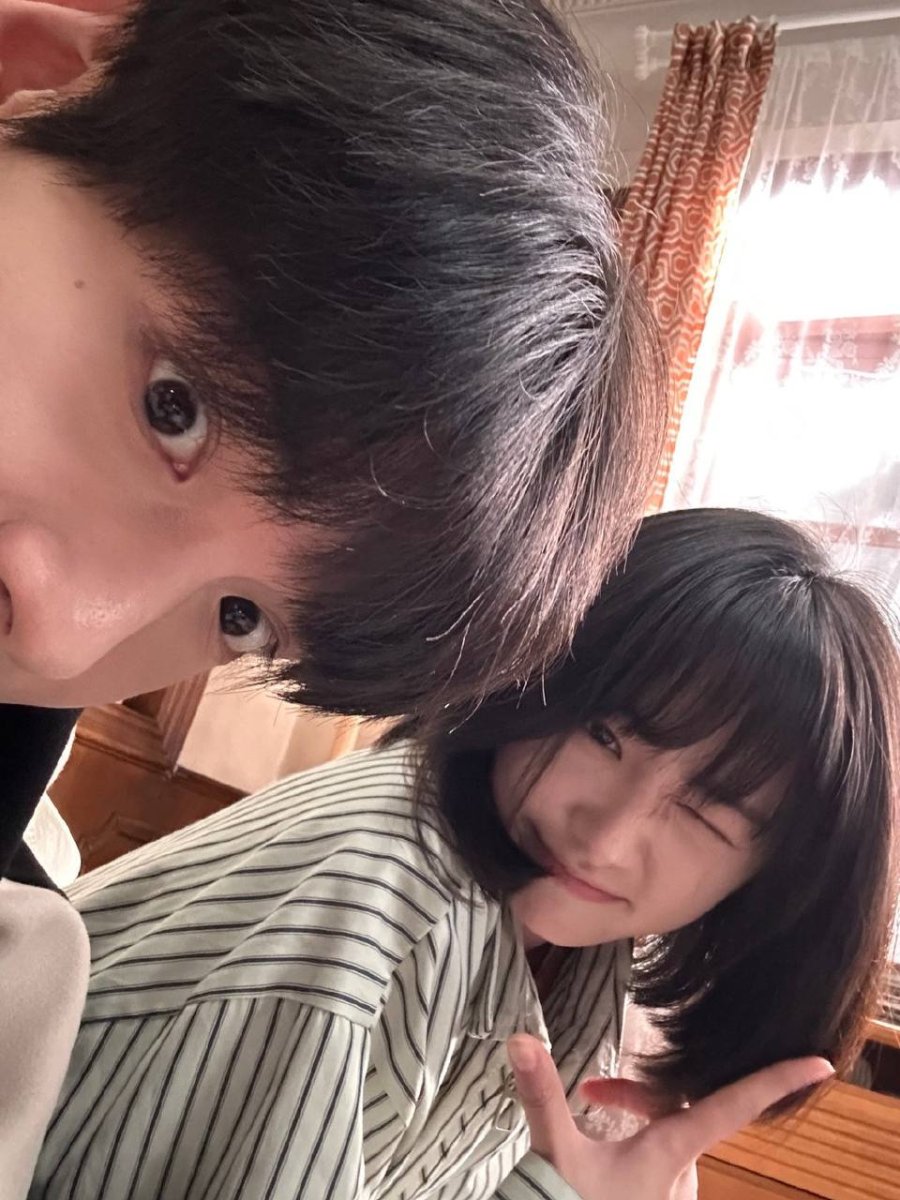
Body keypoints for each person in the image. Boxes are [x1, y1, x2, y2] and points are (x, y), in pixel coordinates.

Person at [0, 0, 664, 1179]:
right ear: (27, 79)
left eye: (241, 617)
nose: (64, 635)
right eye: (173, 408)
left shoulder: (19, 974)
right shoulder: (366, 898)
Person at [31, 508, 899, 1199]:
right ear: (531, 675)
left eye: (706, 813)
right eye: (601, 734)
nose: (606, 837)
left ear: (774, 880)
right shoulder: (379, 909)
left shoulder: (585, 960)